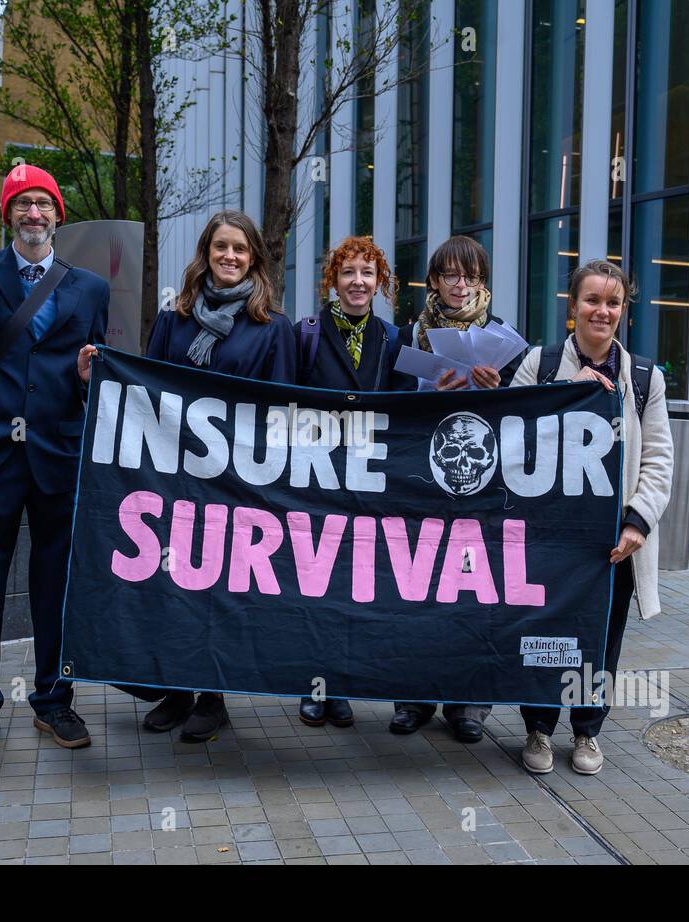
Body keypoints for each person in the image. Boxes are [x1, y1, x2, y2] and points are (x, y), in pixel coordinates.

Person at [0, 164, 110, 756]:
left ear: (58, 214)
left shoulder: (89, 287)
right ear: (8, 214)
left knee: (56, 585)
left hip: (59, 458)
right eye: (23, 204)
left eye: (44, 204)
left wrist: (86, 380)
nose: (34, 214)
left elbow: (97, 382)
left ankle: (55, 700)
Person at [112, 209, 295, 743]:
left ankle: (212, 696)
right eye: (221, 248)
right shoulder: (176, 318)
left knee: (216, 585)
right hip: (174, 476)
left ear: (254, 257)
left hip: (236, 481)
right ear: (206, 254)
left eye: (240, 248)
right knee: (171, 580)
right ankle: (175, 689)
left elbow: (280, 410)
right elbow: (146, 389)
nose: (230, 257)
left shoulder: (272, 326)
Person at [509, 259, 673, 775]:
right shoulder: (539, 362)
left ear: (623, 310)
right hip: (549, 536)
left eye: (613, 302)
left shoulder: (645, 377)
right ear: (572, 306)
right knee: (543, 632)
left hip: (609, 542)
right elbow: (512, 437)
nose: (602, 311)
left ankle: (586, 731)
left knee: (601, 637)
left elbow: (659, 458)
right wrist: (565, 395)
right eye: (592, 300)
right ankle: (538, 727)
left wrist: (637, 522)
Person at [389, 234, 526, 743]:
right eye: (450, 274)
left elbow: (527, 415)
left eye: (470, 275)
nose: (460, 284)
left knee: (474, 593)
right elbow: (391, 410)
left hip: (482, 489)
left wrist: (500, 391)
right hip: (421, 487)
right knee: (418, 590)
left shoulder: (507, 340)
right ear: (434, 281)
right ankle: (414, 697)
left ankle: (468, 703)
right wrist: (428, 393)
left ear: (482, 281)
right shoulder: (409, 336)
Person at [293, 235, 406, 729]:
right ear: (333, 281)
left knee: (357, 586)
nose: (358, 282)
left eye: (367, 273)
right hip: (317, 478)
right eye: (348, 273)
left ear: (379, 282)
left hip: (369, 481)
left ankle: (342, 686)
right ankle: (315, 686)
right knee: (315, 585)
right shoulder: (307, 333)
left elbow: (405, 409)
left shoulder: (393, 338)